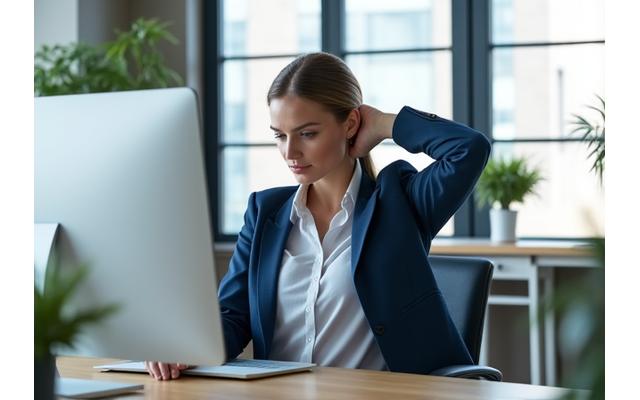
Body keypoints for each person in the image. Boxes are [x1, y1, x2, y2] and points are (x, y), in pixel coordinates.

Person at [145, 52, 491, 381]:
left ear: (350, 123)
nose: (290, 152)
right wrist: (186, 347)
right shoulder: (264, 213)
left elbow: (468, 149)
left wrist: (385, 124)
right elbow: (233, 317)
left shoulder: (401, 204)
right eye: (280, 135)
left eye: (307, 134)